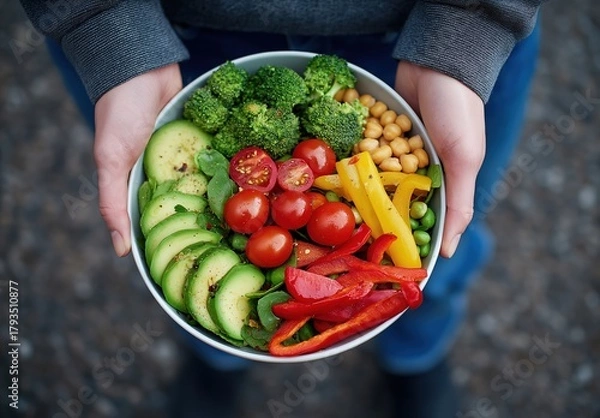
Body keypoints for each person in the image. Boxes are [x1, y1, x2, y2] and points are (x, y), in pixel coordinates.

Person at [20, 1, 544, 416]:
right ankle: (216, 357)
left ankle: (416, 355)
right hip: (171, 32)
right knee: (192, 277)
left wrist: (469, 26)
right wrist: (106, 24)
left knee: (450, 243)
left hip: (428, 30)